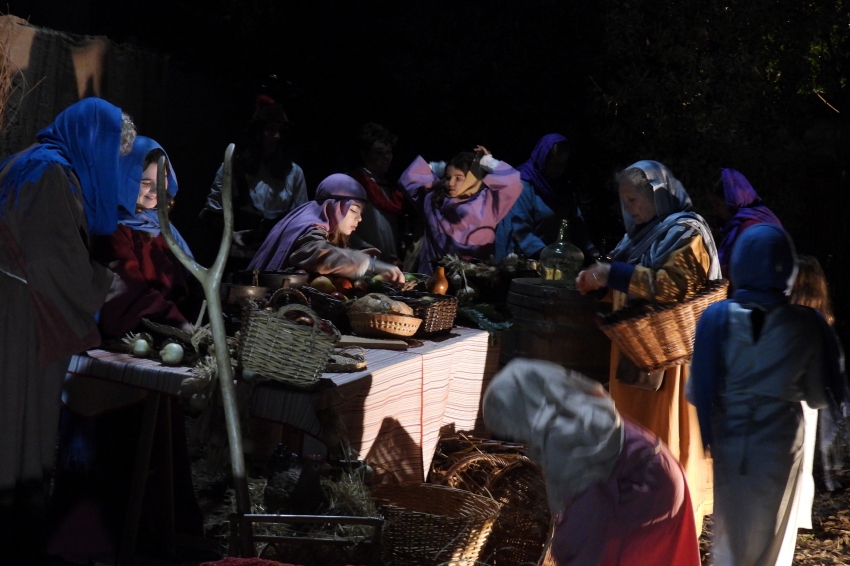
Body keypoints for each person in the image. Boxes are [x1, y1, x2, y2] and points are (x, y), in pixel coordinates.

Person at [0, 97, 136, 563]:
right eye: (110, 153)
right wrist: (101, 282)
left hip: (18, 307)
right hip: (19, 317)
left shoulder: (27, 161)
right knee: (18, 430)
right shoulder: (49, 175)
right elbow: (50, 259)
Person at [688, 225, 849, 566]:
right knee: (774, 534)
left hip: (731, 434)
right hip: (781, 438)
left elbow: (698, 389)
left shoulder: (716, 317)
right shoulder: (807, 323)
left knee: (732, 530)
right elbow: (820, 397)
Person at [576, 160, 721, 531]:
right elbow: (627, 279)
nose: (631, 209)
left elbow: (674, 285)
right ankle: (635, 510)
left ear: (659, 195)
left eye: (635, 199)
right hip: (636, 352)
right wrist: (601, 283)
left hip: (672, 359)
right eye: (625, 201)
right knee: (634, 433)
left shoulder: (687, 232)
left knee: (667, 434)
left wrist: (612, 274)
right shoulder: (641, 235)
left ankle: (671, 513)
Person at [483, 358, 700, 566]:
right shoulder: (566, 405)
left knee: (620, 557)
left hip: (643, 489)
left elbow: (587, 524)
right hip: (659, 466)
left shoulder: (566, 437)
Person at [95, 137, 195, 339]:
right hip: (140, 331)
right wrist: (178, 323)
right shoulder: (113, 229)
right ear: (125, 178)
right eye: (145, 183)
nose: (155, 192)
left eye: (160, 183)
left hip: (172, 328)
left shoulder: (161, 227)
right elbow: (129, 291)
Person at [201, 98, 308, 264]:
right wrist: (231, 235)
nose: (276, 136)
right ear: (258, 131)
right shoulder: (233, 167)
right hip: (234, 256)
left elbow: (300, 219)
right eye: (270, 129)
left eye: (281, 131)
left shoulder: (294, 173)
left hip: (273, 258)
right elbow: (213, 213)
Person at [249, 173, 404, 282]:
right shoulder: (308, 224)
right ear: (333, 206)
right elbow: (318, 254)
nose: (359, 218)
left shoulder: (310, 218)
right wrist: (371, 265)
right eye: (353, 210)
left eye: (361, 212)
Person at [399, 146, 523, 274]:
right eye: (447, 177)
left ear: (472, 179)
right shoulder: (435, 201)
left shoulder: (488, 203)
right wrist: (440, 166)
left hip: (474, 280)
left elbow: (513, 182)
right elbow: (409, 178)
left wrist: (487, 162)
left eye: (458, 178)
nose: (451, 183)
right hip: (433, 279)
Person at [495, 133, 598, 261]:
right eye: (553, 162)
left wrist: (591, 251)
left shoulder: (563, 188)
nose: (557, 169)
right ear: (542, 157)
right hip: (520, 260)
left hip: (551, 260)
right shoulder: (522, 183)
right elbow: (520, 229)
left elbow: (576, 223)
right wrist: (549, 255)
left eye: (562, 164)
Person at [347, 122, 407, 263]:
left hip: (388, 263)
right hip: (362, 261)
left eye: (389, 152)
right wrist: (368, 250)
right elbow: (342, 228)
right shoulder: (353, 184)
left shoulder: (388, 186)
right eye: (379, 153)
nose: (386, 158)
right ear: (364, 154)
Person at [711, 167, 782, 277]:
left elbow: (744, 270)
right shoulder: (762, 216)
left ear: (731, 198)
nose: (714, 211)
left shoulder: (750, 227)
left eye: (716, 203)